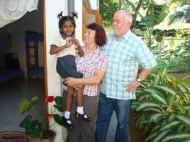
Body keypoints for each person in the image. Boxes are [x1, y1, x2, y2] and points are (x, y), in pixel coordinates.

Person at [95, 10, 157, 142]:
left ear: (129, 23)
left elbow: (150, 64)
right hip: (105, 91)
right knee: (101, 122)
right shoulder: (107, 38)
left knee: (122, 125)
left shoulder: (136, 43)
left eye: (118, 21)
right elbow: (97, 56)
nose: (114, 24)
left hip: (123, 93)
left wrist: (138, 80)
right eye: (113, 21)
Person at [64, 23, 107, 142]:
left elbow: (97, 79)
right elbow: (66, 66)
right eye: (85, 31)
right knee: (72, 125)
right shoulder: (76, 49)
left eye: (89, 33)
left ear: (97, 37)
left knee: (87, 128)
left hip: (89, 96)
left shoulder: (101, 57)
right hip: (72, 93)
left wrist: (77, 81)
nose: (85, 34)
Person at [50, 12, 88, 128]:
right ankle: (80, 111)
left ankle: (66, 116)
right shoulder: (58, 37)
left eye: (71, 26)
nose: (68, 28)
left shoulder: (75, 39)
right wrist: (65, 46)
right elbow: (52, 51)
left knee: (71, 91)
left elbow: (82, 55)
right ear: (61, 28)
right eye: (65, 26)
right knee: (80, 83)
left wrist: (78, 44)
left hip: (71, 64)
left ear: (74, 27)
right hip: (63, 64)